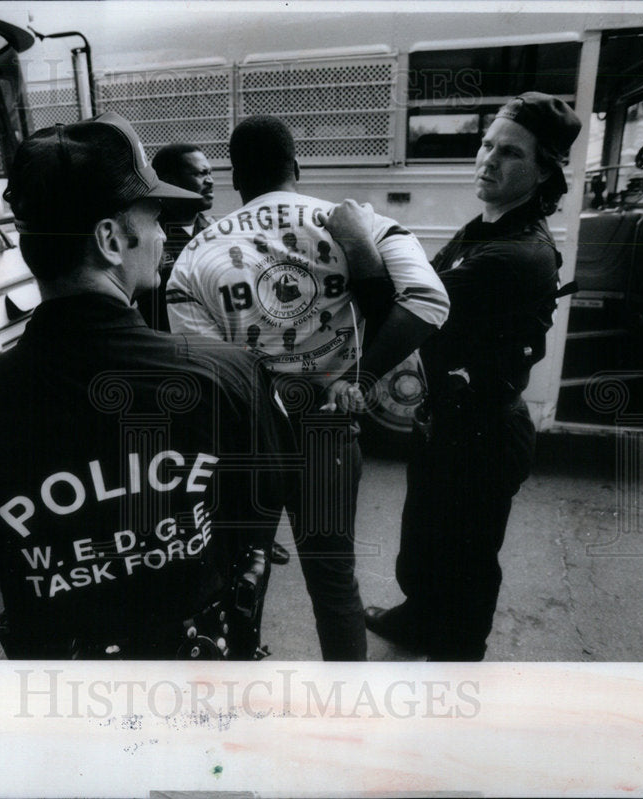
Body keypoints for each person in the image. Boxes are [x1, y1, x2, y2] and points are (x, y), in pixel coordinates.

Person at [0, 112, 292, 659]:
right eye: (153, 216)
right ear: (110, 238)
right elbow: (256, 527)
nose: (161, 233)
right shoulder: (228, 375)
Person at [167, 115, 449, 661]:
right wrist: (354, 379)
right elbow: (429, 301)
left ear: (234, 179)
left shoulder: (195, 255)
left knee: (239, 578)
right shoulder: (359, 224)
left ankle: (236, 700)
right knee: (333, 585)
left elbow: (204, 364)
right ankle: (346, 718)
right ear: (296, 167)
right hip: (327, 433)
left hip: (248, 442)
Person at [364, 92, 582, 661]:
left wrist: (363, 235)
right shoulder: (487, 226)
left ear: (543, 172)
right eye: (486, 144)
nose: (487, 159)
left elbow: (405, 304)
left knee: (465, 565)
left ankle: (457, 664)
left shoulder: (517, 254)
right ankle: (418, 618)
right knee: (422, 548)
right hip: (446, 423)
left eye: (509, 153)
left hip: (482, 435)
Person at [136, 143, 215, 331]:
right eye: (199, 174)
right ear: (170, 182)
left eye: (209, 172)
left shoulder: (215, 231)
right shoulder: (148, 237)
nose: (210, 181)